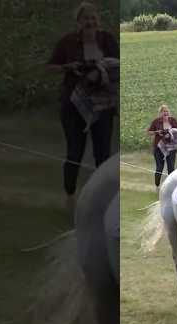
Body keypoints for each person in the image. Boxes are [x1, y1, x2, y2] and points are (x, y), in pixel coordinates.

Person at [47, 1, 119, 212]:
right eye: (85, 18)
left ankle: (102, 198)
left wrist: (102, 69)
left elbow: (119, 62)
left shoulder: (107, 40)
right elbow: (50, 66)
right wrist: (66, 67)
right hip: (73, 105)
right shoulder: (67, 42)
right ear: (78, 22)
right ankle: (70, 196)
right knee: (74, 153)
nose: (90, 22)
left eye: (93, 18)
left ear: (98, 20)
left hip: (103, 104)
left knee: (103, 154)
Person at [147, 104, 177, 191]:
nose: (165, 113)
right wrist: (156, 132)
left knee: (171, 167)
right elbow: (149, 132)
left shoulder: (173, 120)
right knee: (159, 167)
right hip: (159, 148)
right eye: (163, 111)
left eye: (166, 111)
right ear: (160, 113)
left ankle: (171, 187)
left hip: (171, 147)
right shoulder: (156, 121)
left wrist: (172, 131)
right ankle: (157, 186)